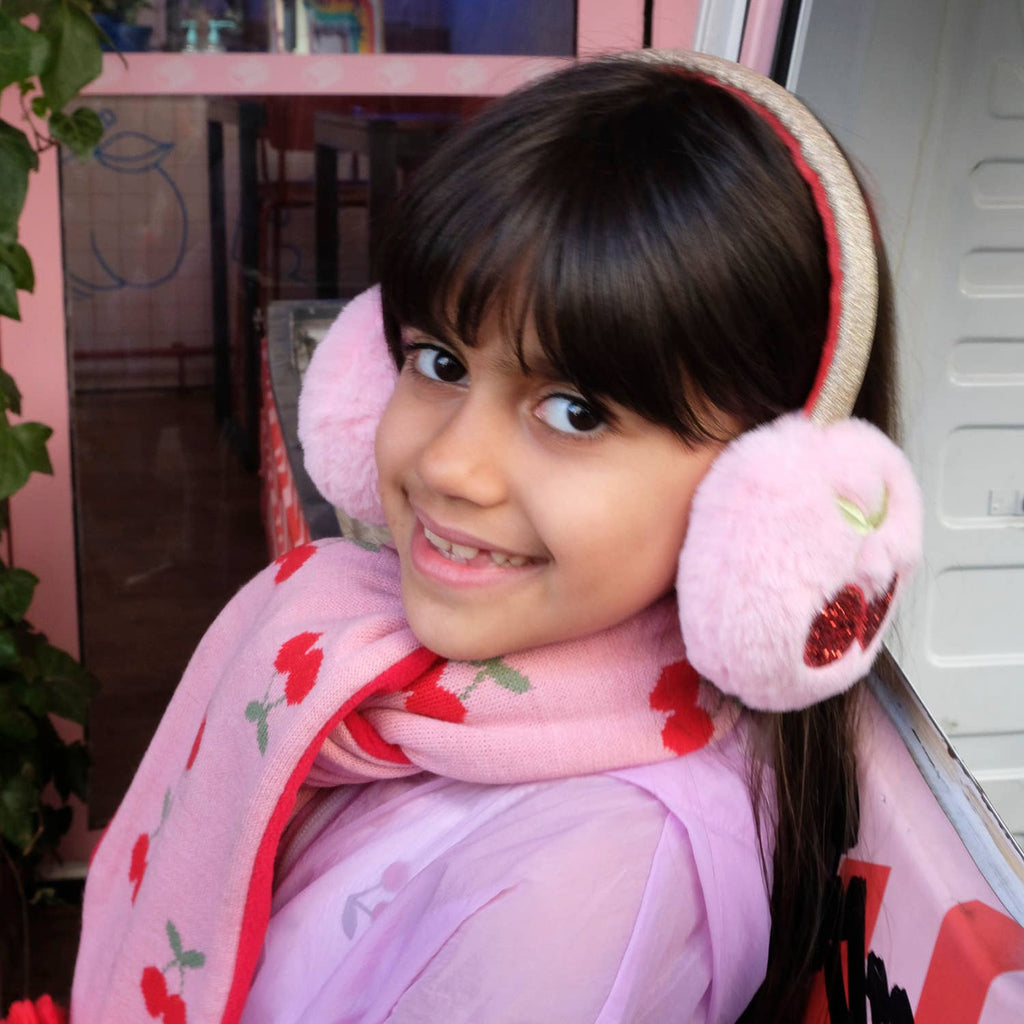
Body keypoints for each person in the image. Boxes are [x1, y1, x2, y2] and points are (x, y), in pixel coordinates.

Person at [65, 51, 920, 1024]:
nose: (446, 466)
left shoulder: (589, 881)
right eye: (436, 358)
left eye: (577, 412)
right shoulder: (382, 671)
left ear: (770, 506)